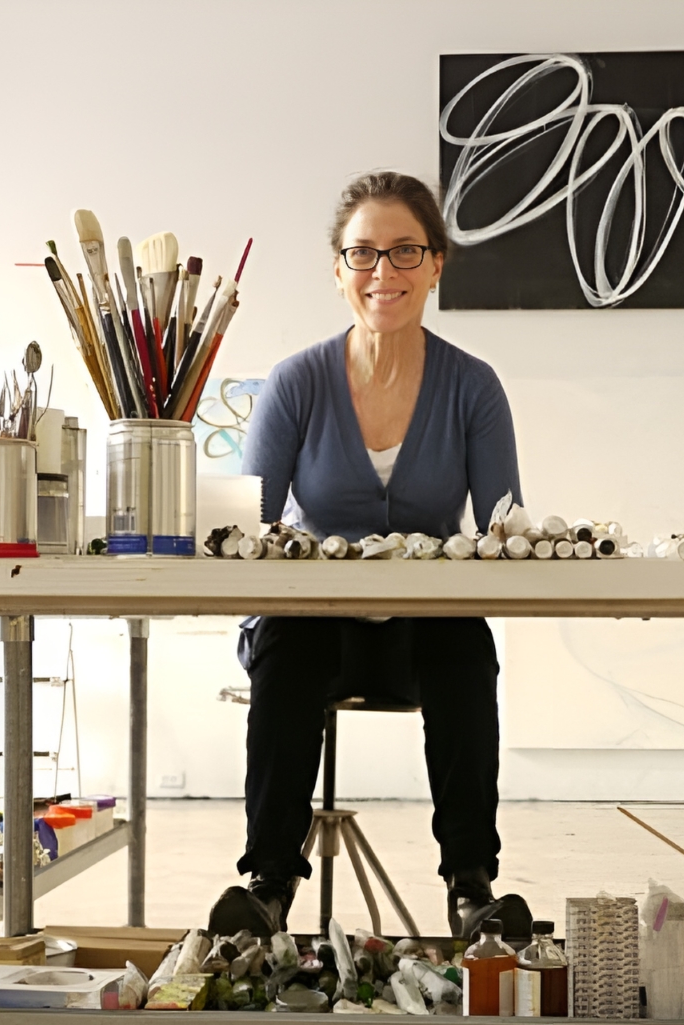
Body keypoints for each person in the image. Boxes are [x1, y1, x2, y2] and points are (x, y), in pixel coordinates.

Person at [208, 171, 531, 941]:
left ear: (437, 264)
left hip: (421, 632)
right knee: (288, 641)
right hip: (316, 629)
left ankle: (470, 886)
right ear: (338, 268)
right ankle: (270, 883)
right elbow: (247, 529)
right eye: (363, 254)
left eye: (405, 252)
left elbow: (503, 529)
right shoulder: (296, 384)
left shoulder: (473, 388)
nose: (383, 273)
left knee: (465, 647)